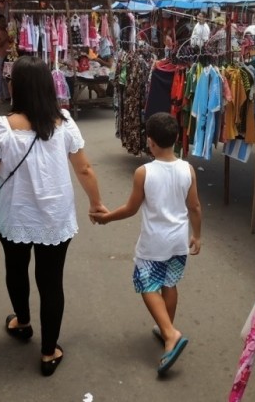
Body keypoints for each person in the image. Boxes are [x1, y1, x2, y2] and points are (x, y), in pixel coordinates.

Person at [0, 55, 107, 377]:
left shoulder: (0, 127)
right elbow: (85, 168)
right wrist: (96, 203)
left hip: (14, 215)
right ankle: (49, 352)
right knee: (51, 282)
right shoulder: (64, 122)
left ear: (15, 87)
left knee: (16, 270)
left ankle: (22, 322)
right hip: (55, 217)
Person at [91, 112, 202, 375]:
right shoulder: (188, 169)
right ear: (177, 139)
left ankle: (169, 332)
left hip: (154, 244)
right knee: (169, 284)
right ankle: (167, 331)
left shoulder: (144, 172)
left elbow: (131, 208)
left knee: (146, 284)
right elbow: (194, 206)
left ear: (150, 142)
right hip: (177, 241)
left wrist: (106, 218)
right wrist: (197, 235)